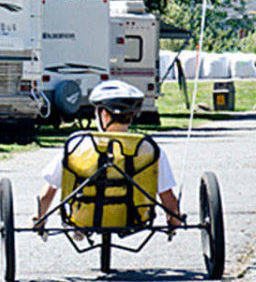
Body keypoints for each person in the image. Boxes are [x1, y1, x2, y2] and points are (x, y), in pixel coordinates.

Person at [34, 80, 183, 231]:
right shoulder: (149, 149)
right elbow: (167, 196)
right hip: (134, 218)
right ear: (131, 115)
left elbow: (48, 192)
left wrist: (39, 219)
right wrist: (174, 218)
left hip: (82, 218)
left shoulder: (77, 146)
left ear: (104, 114)